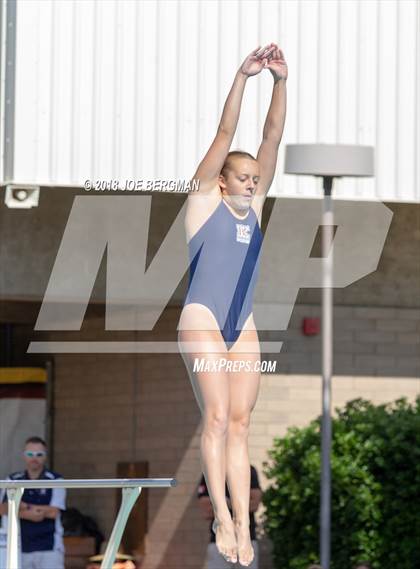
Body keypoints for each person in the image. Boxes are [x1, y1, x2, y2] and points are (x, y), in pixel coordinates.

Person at [178, 43, 287, 566]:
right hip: (201, 318)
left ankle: (244, 523)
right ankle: (220, 513)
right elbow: (227, 135)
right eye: (243, 177)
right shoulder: (203, 202)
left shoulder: (255, 209)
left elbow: (271, 137)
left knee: (242, 423)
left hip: (240, 323)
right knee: (217, 417)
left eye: (255, 179)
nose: (252, 182)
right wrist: (243, 77)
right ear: (223, 180)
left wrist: (281, 82)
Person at [0, 436, 66, 569]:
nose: (34, 458)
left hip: (49, 547)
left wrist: (23, 507)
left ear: (45, 456)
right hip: (18, 547)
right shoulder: (13, 479)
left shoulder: (56, 480)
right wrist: (34, 512)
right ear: (24, 455)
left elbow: (53, 512)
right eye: (30, 454)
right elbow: (2, 509)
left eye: (39, 454)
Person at [197, 465, 262, 568]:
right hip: (219, 542)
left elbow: (254, 504)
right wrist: (240, 503)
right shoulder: (211, 471)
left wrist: (223, 503)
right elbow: (206, 511)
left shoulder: (248, 469)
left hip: (246, 541)